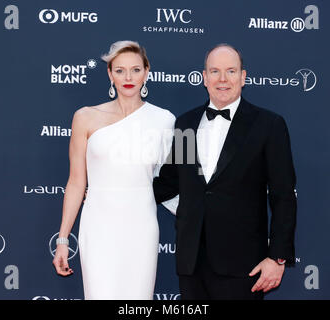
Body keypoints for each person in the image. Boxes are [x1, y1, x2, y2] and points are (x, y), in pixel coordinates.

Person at [153, 44, 297, 300]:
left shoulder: (268, 125)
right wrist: (114, 189)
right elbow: (169, 182)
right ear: (204, 77)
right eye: (215, 71)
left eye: (230, 71)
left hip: (244, 265)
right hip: (192, 263)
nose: (222, 79)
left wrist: (277, 257)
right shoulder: (186, 123)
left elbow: (283, 195)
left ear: (243, 77)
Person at [52, 40, 176, 300]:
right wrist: (63, 239)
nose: (128, 77)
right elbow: (76, 182)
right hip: (99, 226)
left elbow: (175, 182)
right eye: (119, 70)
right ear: (110, 74)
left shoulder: (165, 120)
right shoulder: (85, 117)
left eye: (135, 70)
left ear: (147, 72)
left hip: (141, 225)